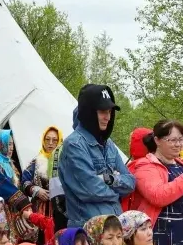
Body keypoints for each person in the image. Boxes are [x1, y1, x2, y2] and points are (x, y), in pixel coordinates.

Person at [58, 84, 136, 227]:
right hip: (89, 230)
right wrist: (117, 192)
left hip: (114, 226)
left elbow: (131, 182)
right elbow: (90, 190)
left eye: (110, 111)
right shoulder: (74, 144)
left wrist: (107, 178)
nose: (107, 117)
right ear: (89, 112)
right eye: (102, 112)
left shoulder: (109, 144)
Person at [21, 125, 63, 218]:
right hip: (40, 210)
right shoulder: (36, 162)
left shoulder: (66, 161)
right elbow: (24, 182)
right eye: (47, 139)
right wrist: (36, 190)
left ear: (60, 141)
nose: (50, 143)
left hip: (62, 209)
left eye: (54, 140)